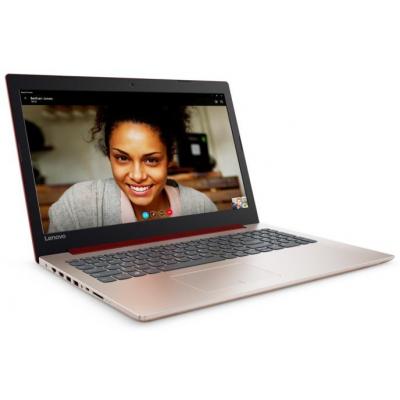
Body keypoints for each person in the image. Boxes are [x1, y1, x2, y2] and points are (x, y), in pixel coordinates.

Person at [47, 104, 217, 233]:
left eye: (151, 160)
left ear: (169, 158)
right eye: (122, 158)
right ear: (109, 155)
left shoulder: (199, 207)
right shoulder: (77, 207)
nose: (137, 176)